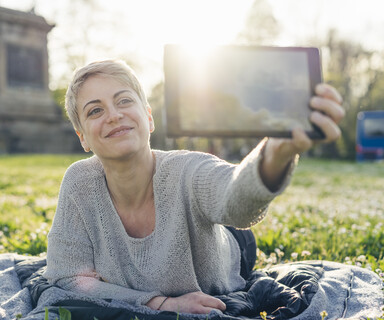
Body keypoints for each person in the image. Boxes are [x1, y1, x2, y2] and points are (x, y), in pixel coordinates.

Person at [43, 59, 344, 315]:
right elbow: (67, 278)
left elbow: (235, 200)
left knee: (237, 233)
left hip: (231, 241)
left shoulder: (187, 169)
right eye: (95, 110)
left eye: (124, 101)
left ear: (148, 118)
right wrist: (161, 304)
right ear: (82, 136)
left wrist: (275, 154)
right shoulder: (79, 182)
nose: (113, 115)